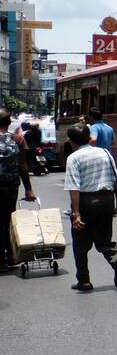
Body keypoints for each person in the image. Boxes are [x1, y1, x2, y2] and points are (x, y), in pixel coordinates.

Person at [62, 122, 117, 291]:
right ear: (89, 138)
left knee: (80, 244)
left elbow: (74, 188)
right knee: (104, 239)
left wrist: (76, 214)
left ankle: (84, 280)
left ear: (71, 141)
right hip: (107, 201)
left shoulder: (73, 158)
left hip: (86, 202)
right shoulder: (105, 153)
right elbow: (116, 180)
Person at [0, 109, 38, 267]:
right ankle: (10, 255)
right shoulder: (18, 139)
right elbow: (23, 166)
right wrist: (28, 188)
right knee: (8, 219)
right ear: (9, 122)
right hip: (11, 187)